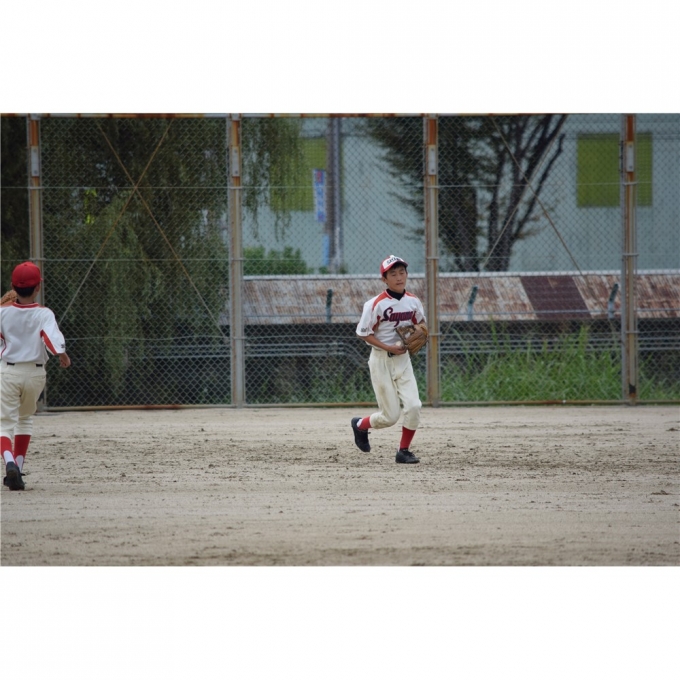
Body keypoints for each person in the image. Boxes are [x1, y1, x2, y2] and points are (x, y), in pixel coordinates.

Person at [1, 262, 71, 491]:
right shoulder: (44, 313)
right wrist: (62, 354)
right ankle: (19, 468)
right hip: (34, 373)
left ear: (12, 286)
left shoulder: (2, 312)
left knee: (4, 424)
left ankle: (9, 462)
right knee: (25, 419)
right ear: (38, 288)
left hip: (8, 372)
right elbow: (50, 338)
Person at [351, 255, 426, 464]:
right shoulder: (375, 304)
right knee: (390, 417)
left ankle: (403, 451)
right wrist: (388, 347)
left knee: (414, 406)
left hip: (403, 360)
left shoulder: (413, 301)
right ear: (384, 279)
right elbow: (363, 333)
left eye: (402, 272)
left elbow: (420, 325)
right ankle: (359, 425)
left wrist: (419, 334)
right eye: (393, 274)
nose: (399, 277)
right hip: (381, 360)